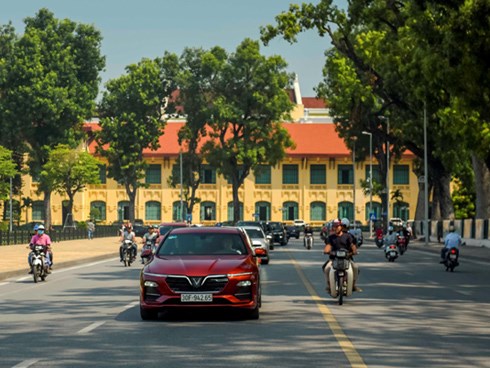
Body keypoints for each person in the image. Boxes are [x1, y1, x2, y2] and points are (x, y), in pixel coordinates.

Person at [322, 218, 361, 292]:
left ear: (341, 227)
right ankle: (329, 285)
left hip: (347, 259)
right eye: (334, 226)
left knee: (355, 267)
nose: (335, 228)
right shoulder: (331, 237)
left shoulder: (348, 236)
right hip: (334, 259)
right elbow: (328, 247)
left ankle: (353, 285)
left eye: (337, 226)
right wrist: (327, 251)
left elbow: (353, 246)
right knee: (327, 268)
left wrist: (353, 251)